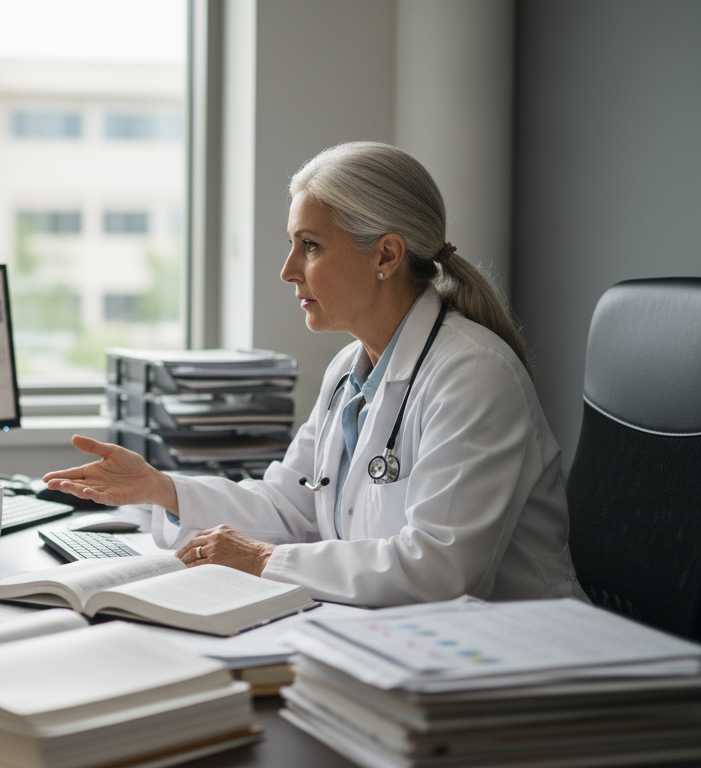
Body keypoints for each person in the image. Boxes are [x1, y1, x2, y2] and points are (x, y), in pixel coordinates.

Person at [45, 141, 587, 608]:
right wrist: (160, 488)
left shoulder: (472, 375)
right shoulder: (349, 372)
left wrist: (263, 560)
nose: (288, 270)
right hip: (394, 639)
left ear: (387, 254)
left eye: (310, 246)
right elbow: (288, 507)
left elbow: (440, 570)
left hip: (515, 658)